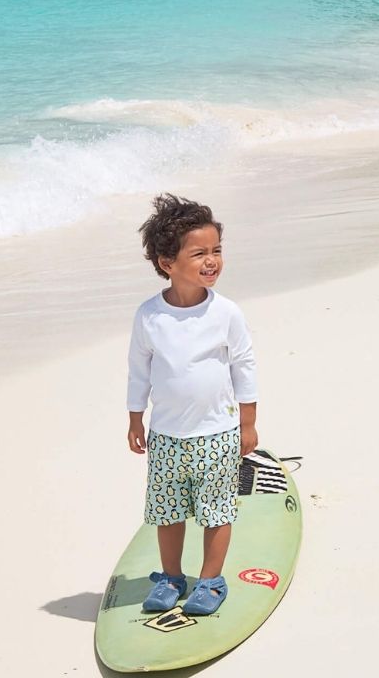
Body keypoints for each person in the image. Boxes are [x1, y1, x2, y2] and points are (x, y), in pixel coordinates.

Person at [126, 193, 258, 616]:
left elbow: (245, 366)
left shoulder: (226, 313)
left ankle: (211, 581)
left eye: (217, 251)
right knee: (167, 512)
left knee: (217, 512)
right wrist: (135, 420)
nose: (212, 261)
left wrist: (248, 424)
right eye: (199, 253)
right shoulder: (149, 316)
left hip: (217, 433)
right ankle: (170, 578)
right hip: (166, 436)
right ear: (168, 263)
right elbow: (138, 371)